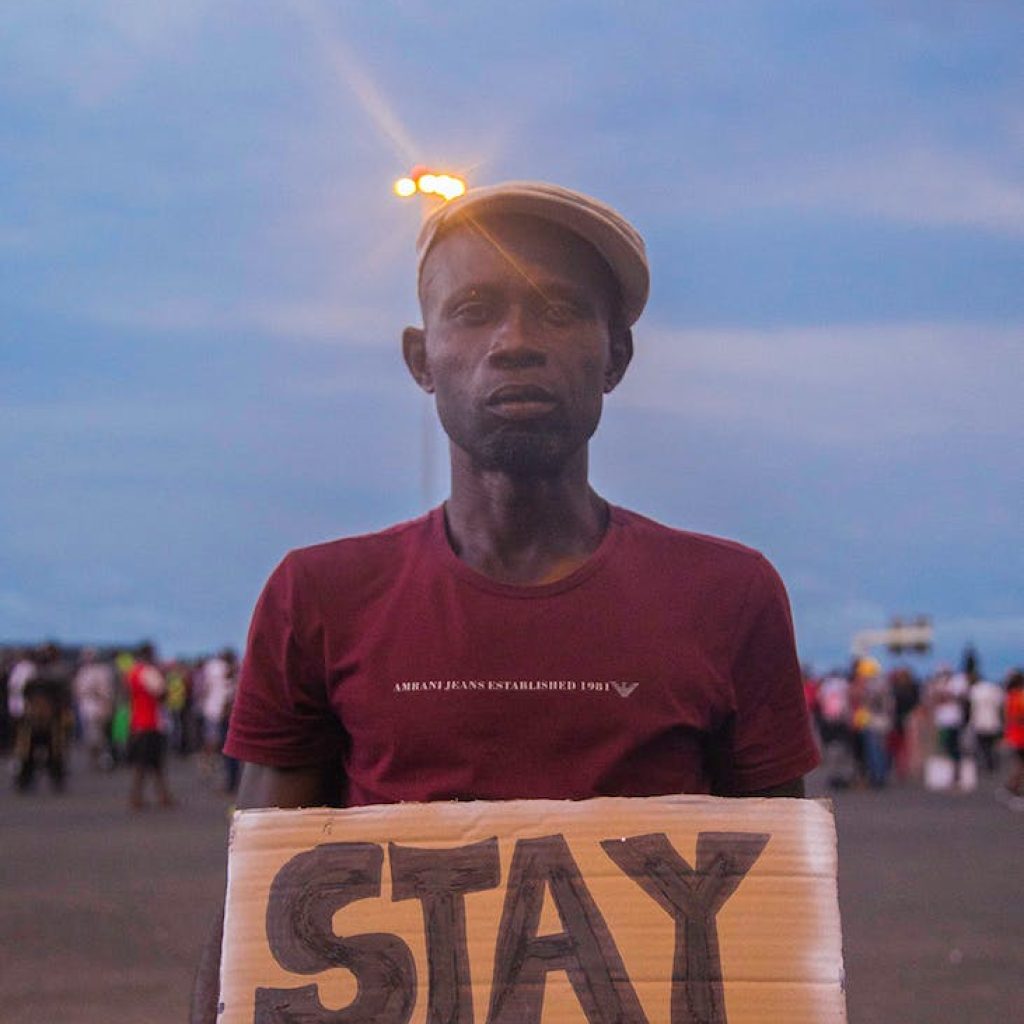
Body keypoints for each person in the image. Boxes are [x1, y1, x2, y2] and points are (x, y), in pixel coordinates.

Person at [191, 180, 820, 1020]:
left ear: (616, 357)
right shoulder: (320, 595)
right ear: (422, 359)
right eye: (476, 309)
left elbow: (774, 919)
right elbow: (260, 907)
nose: (516, 341)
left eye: (560, 309)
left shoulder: (728, 595)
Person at [126, 642, 174, 810]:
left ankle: (162, 795)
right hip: (151, 722)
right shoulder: (149, 672)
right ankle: (140, 796)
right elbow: (161, 692)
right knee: (151, 762)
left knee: (150, 763)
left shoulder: (133, 672)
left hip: (138, 720)